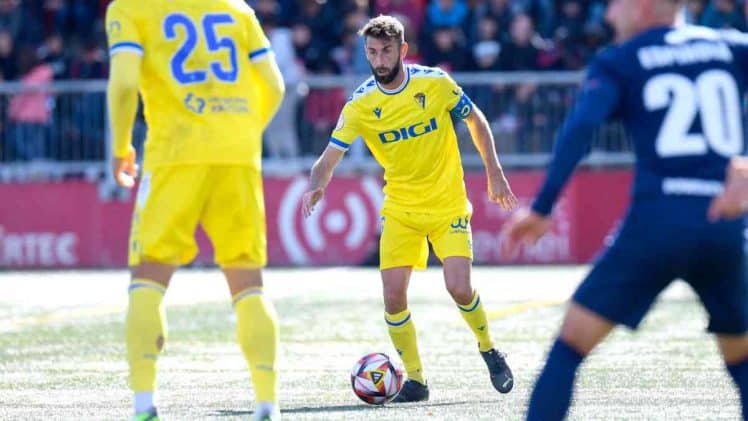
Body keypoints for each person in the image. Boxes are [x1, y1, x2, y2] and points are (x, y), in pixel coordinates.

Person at [501, 0, 748, 419]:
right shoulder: (732, 47)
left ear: (645, 5)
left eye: (616, 4)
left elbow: (580, 128)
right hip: (723, 230)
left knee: (570, 346)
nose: (609, 16)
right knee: (741, 360)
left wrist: (541, 208)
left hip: (655, 227)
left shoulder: (621, 60)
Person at [301, 15, 518, 402]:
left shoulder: (434, 83)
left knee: (459, 287)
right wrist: (316, 185)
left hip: (447, 204)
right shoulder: (362, 103)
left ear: (402, 50)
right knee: (393, 298)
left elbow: (476, 120)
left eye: (386, 51)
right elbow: (329, 156)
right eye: (371, 52)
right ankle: (416, 381)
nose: (379, 60)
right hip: (400, 209)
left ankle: (489, 349)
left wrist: (494, 172)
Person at [105, 1, 284, 420]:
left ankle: (145, 405)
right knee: (247, 282)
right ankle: (266, 404)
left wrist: (119, 148)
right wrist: (237, 133)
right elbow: (274, 86)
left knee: (148, 277)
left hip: (175, 154)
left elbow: (125, 83)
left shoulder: (130, 9)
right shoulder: (237, 9)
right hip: (237, 156)